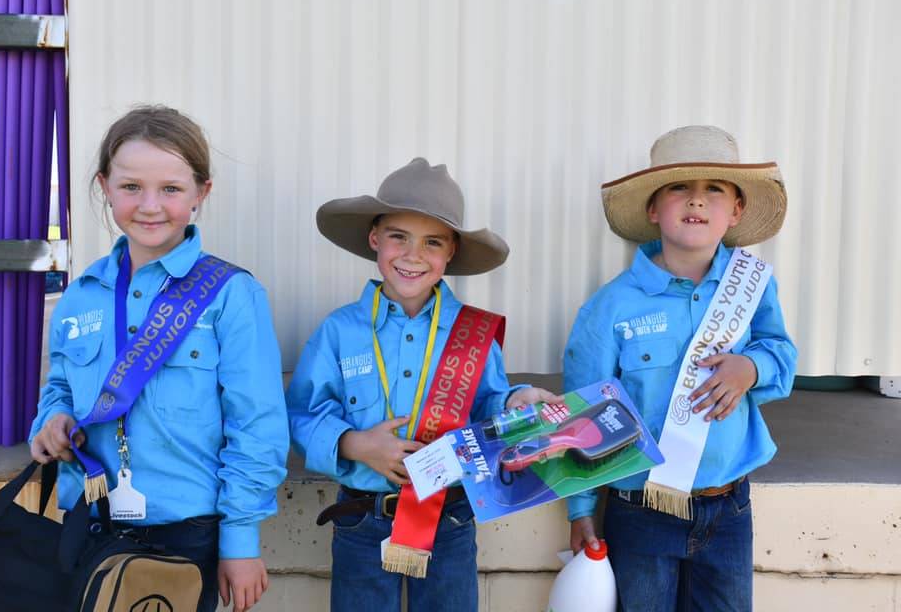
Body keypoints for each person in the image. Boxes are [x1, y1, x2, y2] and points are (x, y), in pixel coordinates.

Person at [29, 105, 288, 612]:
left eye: (170, 188)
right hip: (90, 523)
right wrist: (51, 421)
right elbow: (60, 386)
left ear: (201, 193)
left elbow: (256, 423)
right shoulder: (81, 295)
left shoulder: (231, 295)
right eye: (131, 187)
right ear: (105, 186)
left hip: (187, 531)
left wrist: (240, 540)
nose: (150, 206)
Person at [287, 157, 557, 611]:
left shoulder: (473, 331)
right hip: (362, 520)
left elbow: (490, 402)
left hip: (449, 517)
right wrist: (355, 444)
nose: (413, 256)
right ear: (375, 239)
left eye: (432, 242)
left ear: (451, 251)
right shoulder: (339, 330)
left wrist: (518, 399)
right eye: (399, 237)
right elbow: (300, 414)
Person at [564, 126, 797, 611]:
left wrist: (750, 368)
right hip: (639, 511)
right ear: (653, 209)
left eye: (714, 189)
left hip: (729, 507)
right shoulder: (609, 308)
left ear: (736, 211)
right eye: (679, 188)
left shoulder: (751, 288)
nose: (697, 201)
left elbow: (783, 355)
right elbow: (580, 419)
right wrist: (581, 510)